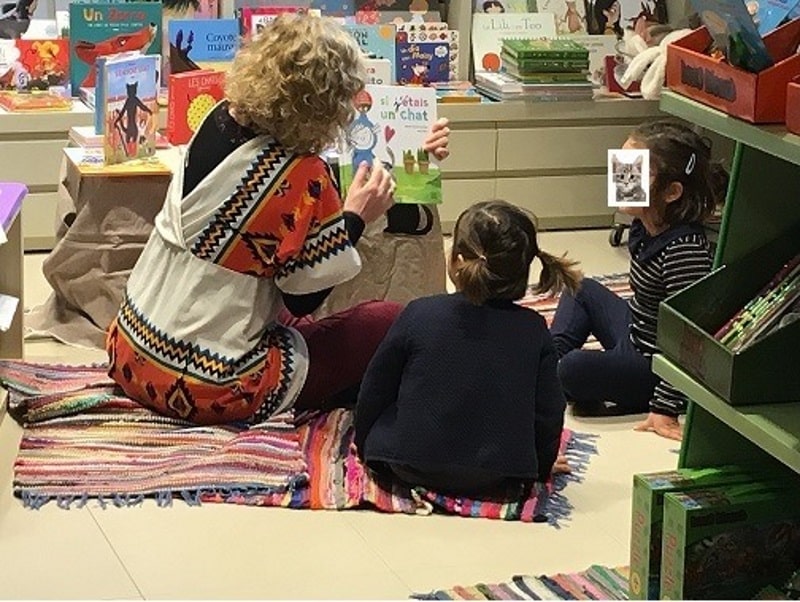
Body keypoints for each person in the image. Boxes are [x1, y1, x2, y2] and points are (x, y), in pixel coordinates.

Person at [105, 14, 449, 425]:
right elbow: (303, 300)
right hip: (209, 382)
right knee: (387, 320)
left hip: (130, 348)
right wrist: (355, 218)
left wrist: (413, 149)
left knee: (281, 309)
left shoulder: (216, 119)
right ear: (325, 105)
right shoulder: (303, 176)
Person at [354, 200, 579, 498]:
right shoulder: (534, 329)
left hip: (406, 464)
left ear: (457, 260)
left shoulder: (419, 312)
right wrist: (540, 465)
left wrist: (365, 440)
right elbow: (548, 412)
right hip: (500, 476)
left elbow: (376, 387)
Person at [550, 120, 729, 441]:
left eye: (634, 171)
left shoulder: (684, 251)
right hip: (637, 330)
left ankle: (555, 372)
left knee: (573, 368)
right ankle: (542, 366)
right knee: (581, 288)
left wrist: (666, 406)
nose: (621, 178)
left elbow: (691, 339)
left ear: (672, 192)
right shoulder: (643, 224)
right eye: (621, 166)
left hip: (655, 363)